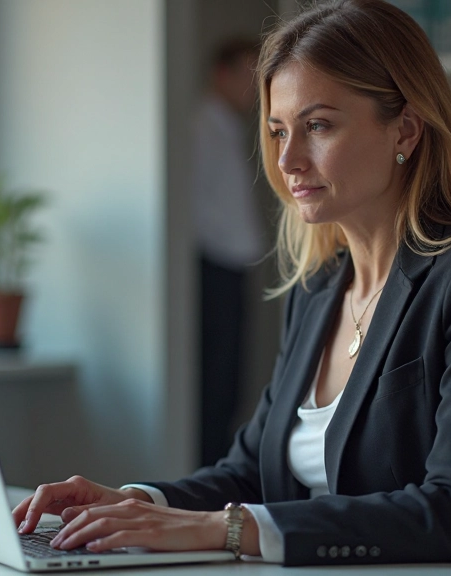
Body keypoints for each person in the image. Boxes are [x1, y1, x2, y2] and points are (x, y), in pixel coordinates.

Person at [12, 0, 451, 565]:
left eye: (318, 126)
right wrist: (135, 503)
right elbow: (252, 469)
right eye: (279, 131)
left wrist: (221, 530)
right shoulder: (320, 287)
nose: (288, 160)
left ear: (405, 128)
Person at [191, 38, 267, 467]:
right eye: (248, 76)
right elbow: (198, 207)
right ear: (222, 73)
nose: (253, 89)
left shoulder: (228, 129)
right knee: (216, 385)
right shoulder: (201, 129)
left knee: (231, 382)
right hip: (213, 266)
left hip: (233, 264)